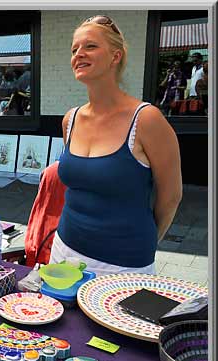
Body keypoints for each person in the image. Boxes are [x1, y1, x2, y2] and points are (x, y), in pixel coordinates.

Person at [49, 15, 182, 276]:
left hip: (123, 265)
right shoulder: (71, 119)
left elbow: (171, 196)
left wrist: (143, 243)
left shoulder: (146, 120)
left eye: (90, 46)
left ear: (115, 56)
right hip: (64, 252)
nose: (79, 54)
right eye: (74, 49)